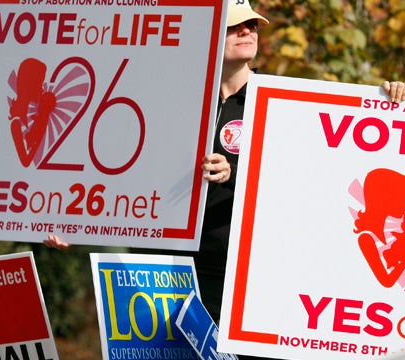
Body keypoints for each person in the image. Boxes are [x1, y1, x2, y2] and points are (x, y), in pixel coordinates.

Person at [47, 1, 278, 359]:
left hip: (246, 283)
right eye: (234, 26)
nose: (247, 31)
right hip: (171, 278)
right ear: (206, 34)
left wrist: (391, 100)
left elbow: (303, 186)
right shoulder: (169, 100)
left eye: (252, 24)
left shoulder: (281, 101)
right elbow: (123, 173)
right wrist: (76, 224)